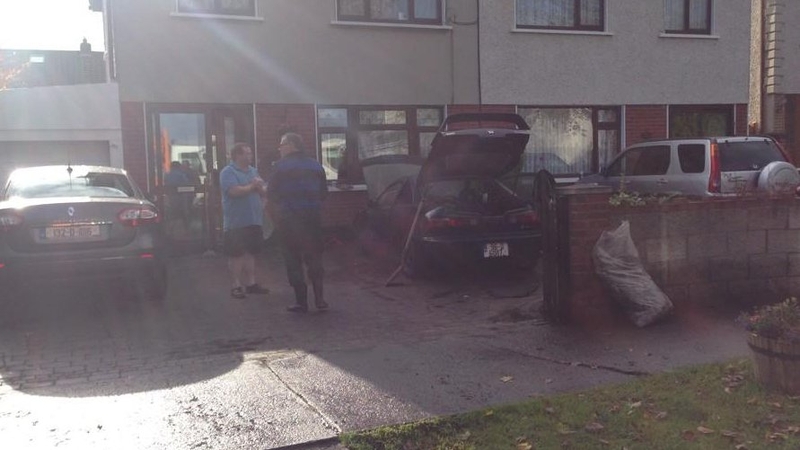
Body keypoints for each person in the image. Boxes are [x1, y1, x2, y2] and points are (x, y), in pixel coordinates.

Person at [267, 133, 328, 313]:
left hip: (289, 220)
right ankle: (320, 299)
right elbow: (323, 193)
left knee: (293, 259)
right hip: (313, 219)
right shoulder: (316, 165)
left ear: (292, 145)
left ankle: (301, 302)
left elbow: (271, 193)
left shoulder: (280, 166)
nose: (279, 148)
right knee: (315, 258)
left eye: (282, 144)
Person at [220, 143, 270, 299]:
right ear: (237, 156)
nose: (250, 156)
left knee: (251, 253)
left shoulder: (253, 171)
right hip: (236, 221)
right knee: (237, 254)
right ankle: (235, 285)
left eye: (250, 153)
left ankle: (251, 283)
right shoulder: (228, 172)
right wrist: (252, 186)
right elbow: (234, 191)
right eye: (246, 153)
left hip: (254, 220)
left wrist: (261, 194)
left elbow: (263, 190)